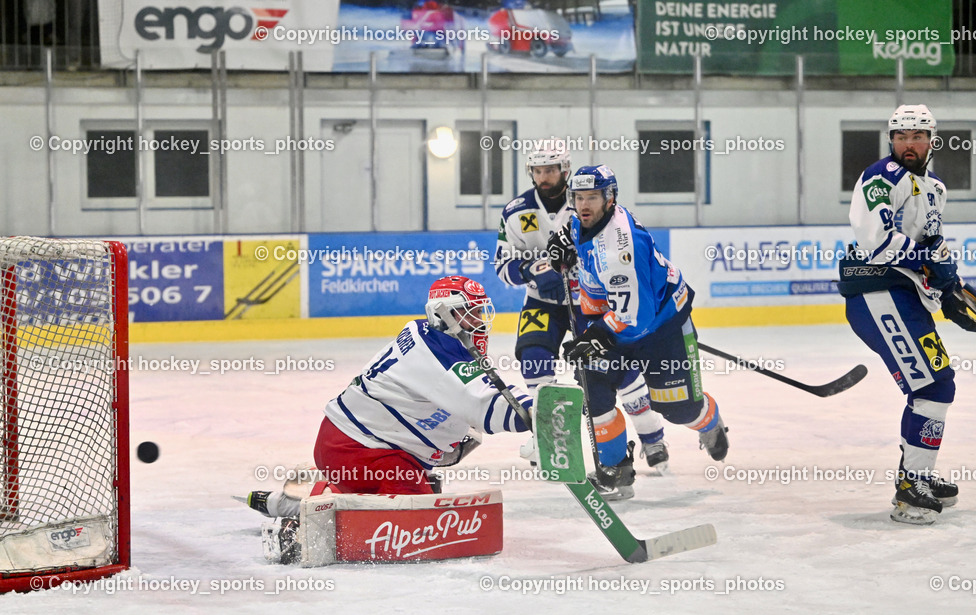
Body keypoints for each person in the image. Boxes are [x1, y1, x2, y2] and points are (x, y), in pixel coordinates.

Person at [246, 275, 534, 520]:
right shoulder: (436, 352)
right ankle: (308, 514)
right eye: (468, 313)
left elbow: (466, 394)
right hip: (359, 451)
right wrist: (536, 412)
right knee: (419, 520)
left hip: (351, 446)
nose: (478, 322)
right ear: (442, 314)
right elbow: (483, 403)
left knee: (424, 491)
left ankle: (301, 499)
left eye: (480, 312)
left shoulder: (430, 337)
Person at [546, 164, 729, 500]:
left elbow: (636, 318)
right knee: (593, 388)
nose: (584, 205)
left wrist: (595, 336)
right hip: (612, 318)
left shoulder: (620, 250)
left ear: (610, 198)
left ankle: (708, 419)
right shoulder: (582, 218)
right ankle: (617, 470)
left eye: (592, 198)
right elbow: (573, 232)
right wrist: (562, 243)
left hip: (659, 324)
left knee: (677, 410)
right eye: (579, 197)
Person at [838, 104, 976, 525]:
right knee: (934, 387)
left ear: (932, 140)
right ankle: (911, 487)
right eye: (901, 137)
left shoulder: (935, 186)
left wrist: (950, 288)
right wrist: (930, 265)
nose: (909, 144)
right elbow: (879, 244)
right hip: (877, 292)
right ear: (891, 141)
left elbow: (932, 245)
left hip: (902, 296)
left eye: (917, 136)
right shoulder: (880, 179)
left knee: (935, 386)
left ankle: (918, 475)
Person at [494, 144, 671, 472]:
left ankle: (651, 434)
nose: (544, 177)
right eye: (538, 170)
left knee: (615, 371)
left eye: (551, 170)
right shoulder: (515, 211)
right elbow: (502, 264)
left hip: (587, 303)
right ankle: (545, 434)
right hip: (541, 301)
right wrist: (532, 270)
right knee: (533, 359)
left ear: (565, 169)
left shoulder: (585, 200)